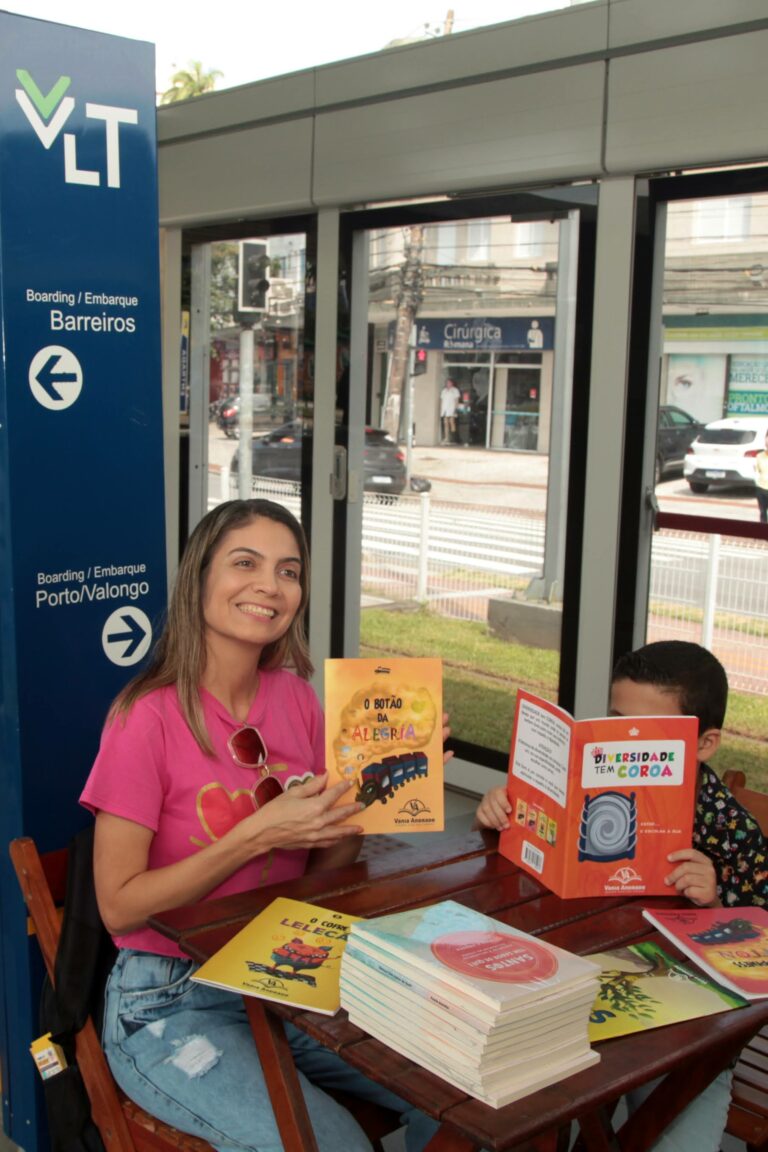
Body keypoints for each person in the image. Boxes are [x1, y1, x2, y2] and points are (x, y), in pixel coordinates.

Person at [80, 498, 441, 1152]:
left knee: (463, 1095)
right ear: (200, 579)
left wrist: (356, 809)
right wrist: (259, 832)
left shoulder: (296, 698)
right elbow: (118, 906)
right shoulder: (146, 719)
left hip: (285, 972)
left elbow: (323, 876)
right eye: (245, 563)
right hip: (170, 1004)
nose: (269, 586)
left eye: (289, 571)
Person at [475, 640, 767, 1152]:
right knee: (505, 1104)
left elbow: (759, 946)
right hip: (577, 991)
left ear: (704, 743)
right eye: (617, 723)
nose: (628, 744)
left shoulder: (728, 826)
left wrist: (718, 903)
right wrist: (503, 816)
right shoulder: (584, 786)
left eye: (652, 734)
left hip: (690, 1034)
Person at [439, 378, 460, 444]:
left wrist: (456, 409)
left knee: (452, 423)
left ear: (452, 383)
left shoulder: (455, 390)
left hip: (451, 409)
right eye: (446, 383)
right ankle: (446, 438)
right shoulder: (444, 391)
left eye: (448, 382)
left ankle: (453, 437)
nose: (447, 384)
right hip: (445, 410)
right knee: (445, 424)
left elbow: (456, 400)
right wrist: (441, 409)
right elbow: (442, 400)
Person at [755, 428, 768, 524]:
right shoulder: (759, 456)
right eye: (767, 438)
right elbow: (757, 471)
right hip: (761, 488)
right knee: (763, 513)